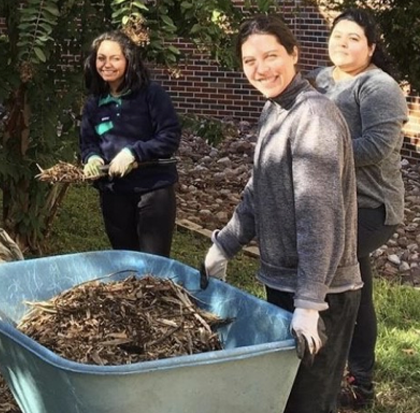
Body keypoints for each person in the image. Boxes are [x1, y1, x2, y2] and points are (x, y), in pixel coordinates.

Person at [203, 15, 363, 413]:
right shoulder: (275, 111)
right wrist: (225, 244)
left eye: (271, 55)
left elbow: (318, 215)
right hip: (285, 283)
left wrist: (309, 304)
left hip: (322, 292)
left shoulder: (313, 117)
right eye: (249, 61)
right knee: (283, 398)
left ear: (294, 53)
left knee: (308, 403)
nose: (261, 69)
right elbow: (260, 190)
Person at [307, 8, 409, 409]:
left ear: (371, 46)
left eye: (353, 38)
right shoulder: (320, 79)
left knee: (334, 284)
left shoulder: (378, 87)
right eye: (338, 36)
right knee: (356, 292)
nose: (343, 44)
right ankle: (357, 381)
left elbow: (375, 148)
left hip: (369, 207)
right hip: (333, 204)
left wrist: (314, 151)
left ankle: (339, 378)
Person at [79, 31, 181, 257]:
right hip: (114, 193)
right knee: (125, 261)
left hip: (153, 191)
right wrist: (92, 158)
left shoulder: (151, 94)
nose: (107, 64)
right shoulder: (94, 103)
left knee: (154, 265)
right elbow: (88, 142)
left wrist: (135, 153)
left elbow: (169, 136)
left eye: (114, 58)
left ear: (128, 60)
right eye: (101, 58)